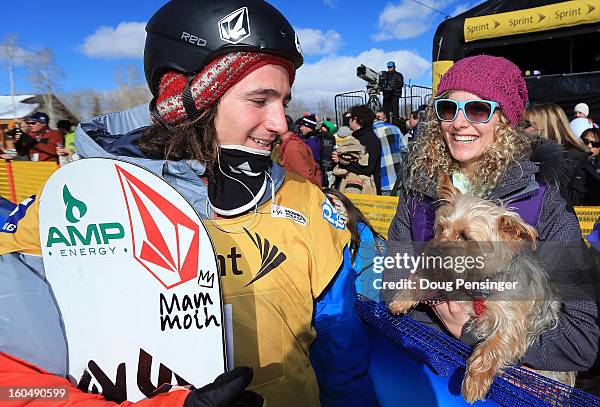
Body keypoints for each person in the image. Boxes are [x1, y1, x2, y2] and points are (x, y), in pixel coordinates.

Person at [0, 1, 376, 406]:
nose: (280, 123)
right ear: (188, 100)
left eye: (282, 102)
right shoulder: (71, 208)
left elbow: (343, 362)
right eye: (259, 100)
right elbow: (15, 385)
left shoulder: (303, 199)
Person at [388, 55, 600, 376]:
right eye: (448, 109)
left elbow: (582, 342)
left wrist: (477, 335)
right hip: (432, 368)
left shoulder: (543, 204)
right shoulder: (418, 194)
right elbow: (393, 289)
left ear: (504, 120)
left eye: (478, 109)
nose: (459, 123)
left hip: (520, 381)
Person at [522, 103, 590, 206]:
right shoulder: (525, 155)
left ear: (546, 125)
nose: (522, 129)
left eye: (527, 124)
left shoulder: (574, 160)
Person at [333, 105, 382, 195]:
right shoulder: (360, 137)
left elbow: (367, 169)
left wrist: (341, 161)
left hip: (363, 191)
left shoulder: (369, 139)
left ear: (355, 120)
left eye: (350, 118)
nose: (349, 121)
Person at [278, 115, 322, 187]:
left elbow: (306, 176)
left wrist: (318, 191)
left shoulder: (292, 147)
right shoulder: (295, 143)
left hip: (302, 193)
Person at [372, 113, 403, 195]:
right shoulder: (395, 129)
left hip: (383, 180)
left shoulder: (372, 132)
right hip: (399, 178)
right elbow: (405, 149)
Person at [319, 120, 337, 188]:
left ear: (325, 128)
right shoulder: (332, 138)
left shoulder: (320, 137)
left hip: (322, 163)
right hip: (331, 163)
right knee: (331, 182)